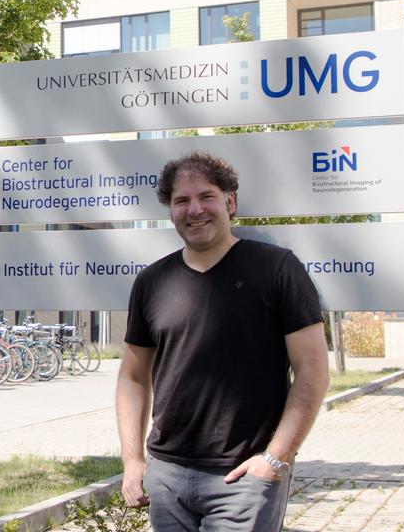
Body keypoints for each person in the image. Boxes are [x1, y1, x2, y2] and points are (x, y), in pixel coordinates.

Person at [116, 151, 329, 531]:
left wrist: (276, 459)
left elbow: (312, 372)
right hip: (166, 476)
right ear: (170, 210)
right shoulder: (152, 281)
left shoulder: (277, 269)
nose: (194, 209)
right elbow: (132, 377)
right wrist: (133, 461)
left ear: (230, 201)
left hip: (244, 476)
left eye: (206, 196)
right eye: (181, 200)